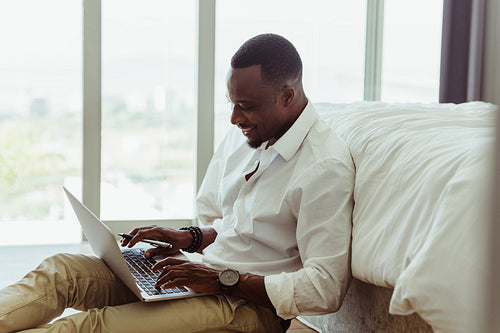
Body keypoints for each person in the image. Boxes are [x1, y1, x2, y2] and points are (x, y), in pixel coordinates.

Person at [0, 33, 354, 333]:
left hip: (247, 306)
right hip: (202, 277)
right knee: (62, 272)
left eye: (245, 106)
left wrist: (219, 280)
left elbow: (325, 287)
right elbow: (244, 228)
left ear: (287, 95)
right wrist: (191, 238)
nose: (234, 118)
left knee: (89, 326)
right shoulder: (256, 136)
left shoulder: (324, 167)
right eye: (231, 104)